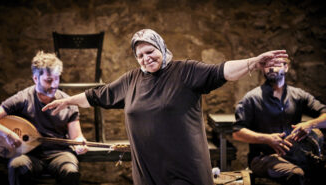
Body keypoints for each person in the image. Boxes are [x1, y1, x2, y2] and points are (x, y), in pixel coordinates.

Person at [42, 29, 287, 185]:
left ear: (160, 47)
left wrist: (253, 63)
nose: (146, 58)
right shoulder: (131, 80)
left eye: (150, 51)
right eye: (140, 56)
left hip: (184, 170)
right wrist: (67, 100)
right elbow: (99, 95)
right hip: (148, 172)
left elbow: (221, 71)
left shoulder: (186, 71)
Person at [0, 51, 88, 185]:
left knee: (70, 171)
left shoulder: (68, 102)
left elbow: (76, 136)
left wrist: (80, 144)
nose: (54, 84)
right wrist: (8, 134)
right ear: (36, 78)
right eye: (49, 80)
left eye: (57, 78)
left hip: (59, 153)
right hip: (29, 155)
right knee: (17, 166)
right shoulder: (23, 98)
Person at [232, 57, 326, 185]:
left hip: (295, 155)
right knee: (296, 174)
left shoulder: (298, 95)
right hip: (262, 158)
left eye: (276, 64)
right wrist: (267, 139)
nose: (271, 67)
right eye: (267, 65)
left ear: (286, 67)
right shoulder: (251, 98)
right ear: (263, 70)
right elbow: (237, 132)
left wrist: (310, 124)